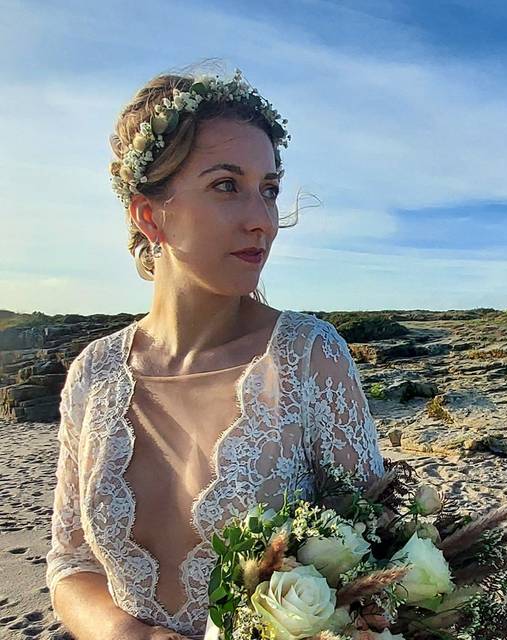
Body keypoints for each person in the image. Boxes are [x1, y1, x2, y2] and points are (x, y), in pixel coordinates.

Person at [44, 66, 386, 640]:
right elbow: (71, 564)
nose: (263, 221)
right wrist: (129, 634)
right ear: (149, 214)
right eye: (227, 185)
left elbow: (378, 566)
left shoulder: (309, 360)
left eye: (269, 190)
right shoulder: (94, 375)